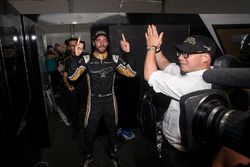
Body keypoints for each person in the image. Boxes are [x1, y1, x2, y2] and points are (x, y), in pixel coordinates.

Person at [144, 25, 216, 167]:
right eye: (180, 52)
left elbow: (150, 74)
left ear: (205, 57)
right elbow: (165, 65)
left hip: (179, 152)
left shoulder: (193, 85)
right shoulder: (207, 73)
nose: (180, 57)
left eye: (186, 54)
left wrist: (150, 48)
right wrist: (158, 50)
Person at [67, 30, 136, 167]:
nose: (102, 42)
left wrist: (127, 53)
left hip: (110, 101)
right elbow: (72, 77)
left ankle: (112, 153)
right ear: (93, 43)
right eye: (98, 40)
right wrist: (76, 56)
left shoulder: (115, 59)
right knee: (89, 131)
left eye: (104, 40)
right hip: (94, 102)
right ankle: (88, 155)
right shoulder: (86, 60)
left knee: (112, 130)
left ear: (108, 43)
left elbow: (131, 74)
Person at [63, 38, 87, 139]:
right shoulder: (67, 60)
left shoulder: (86, 57)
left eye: (75, 44)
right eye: (71, 45)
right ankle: (77, 130)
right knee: (74, 111)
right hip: (74, 88)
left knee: (89, 109)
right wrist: (68, 86)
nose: (74, 47)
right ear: (69, 47)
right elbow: (65, 76)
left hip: (86, 87)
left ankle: (90, 127)